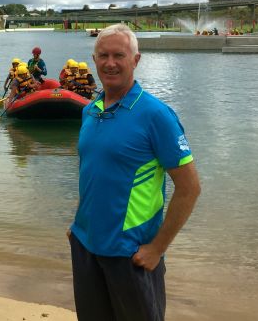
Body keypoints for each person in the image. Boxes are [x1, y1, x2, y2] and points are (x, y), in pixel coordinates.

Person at [68, 23, 201, 321]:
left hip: (131, 254)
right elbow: (92, 173)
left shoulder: (156, 115)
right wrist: (79, 223)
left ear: (136, 60)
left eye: (119, 55)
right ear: (94, 58)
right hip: (86, 246)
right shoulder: (90, 111)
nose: (110, 63)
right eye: (103, 55)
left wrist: (157, 247)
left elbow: (190, 187)